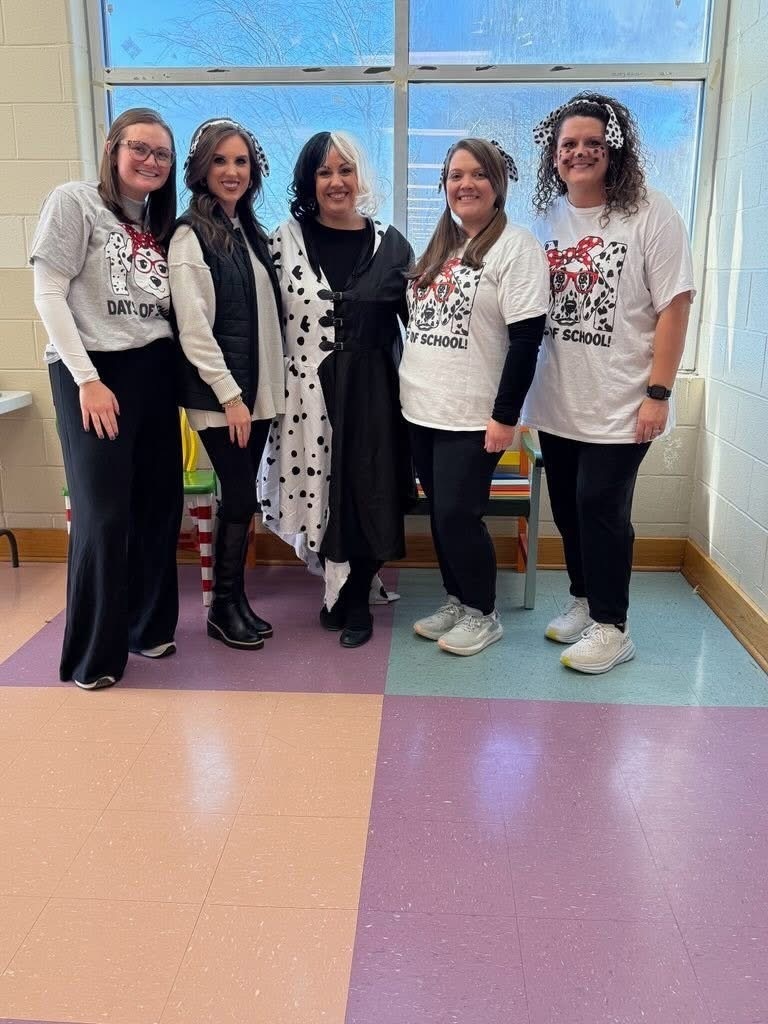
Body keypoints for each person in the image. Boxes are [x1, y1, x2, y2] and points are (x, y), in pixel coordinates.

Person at [523, 91, 694, 674]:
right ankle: (582, 600)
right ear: (554, 155)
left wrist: (659, 393)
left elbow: (675, 304)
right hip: (558, 397)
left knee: (602, 504)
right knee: (569, 507)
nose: (580, 152)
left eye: (593, 142)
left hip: (623, 399)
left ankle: (612, 625)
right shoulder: (547, 219)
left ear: (613, 149)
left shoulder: (651, 211)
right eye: (568, 144)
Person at [30, 107, 182, 690]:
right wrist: (88, 379)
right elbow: (48, 293)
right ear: (114, 149)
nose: (151, 161)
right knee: (103, 512)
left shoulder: (160, 224)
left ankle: (148, 627)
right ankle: (95, 654)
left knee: (157, 505)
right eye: (140, 148)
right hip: (92, 370)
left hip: (153, 368)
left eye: (161, 154)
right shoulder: (75, 201)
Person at [258, 131, 413, 648]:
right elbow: (257, 319)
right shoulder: (283, 241)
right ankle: (335, 590)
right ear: (309, 180)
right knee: (320, 491)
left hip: (373, 394)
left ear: (359, 177)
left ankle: (356, 600)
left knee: (365, 491)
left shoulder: (392, 245)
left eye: (345, 170)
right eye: (325, 172)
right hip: (306, 394)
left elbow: (421, 326)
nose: (336, 181)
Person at [400, 138, 550, 657]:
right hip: (421, 409)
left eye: (477, 175)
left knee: (459, 517)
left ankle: (483, 614)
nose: (465, 185)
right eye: (455, 176)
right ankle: (457, 599)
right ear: (444, 186)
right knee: (439, 513)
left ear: (497, 184)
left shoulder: (517, 247)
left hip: (471, 416)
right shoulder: (442, 247)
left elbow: (527, 338)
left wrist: (504, 417)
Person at [168, 118, 285, 651]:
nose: (232, 171)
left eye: (240, 161)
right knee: (238, 497)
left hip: (253, 396)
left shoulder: (247, 231)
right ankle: (221, 609)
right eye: (220, 161)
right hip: (225, 401)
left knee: (242, 501)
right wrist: (231, 396)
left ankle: (234, 602)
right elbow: (194, 329)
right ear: (201, 169)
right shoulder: (191, 235)